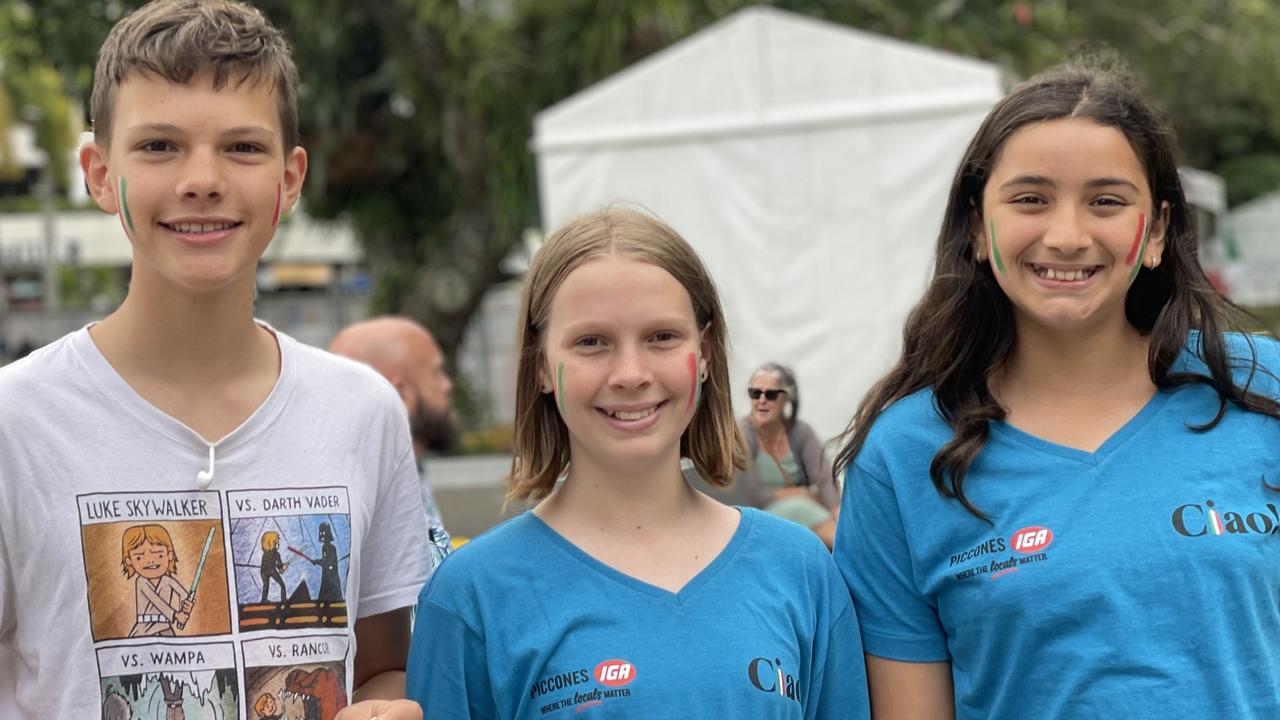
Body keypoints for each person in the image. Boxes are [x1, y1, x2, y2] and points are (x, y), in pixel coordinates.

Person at [0, 2, 429, 718]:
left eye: (242, 148)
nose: (202, 178)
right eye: (160, 146)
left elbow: (385, 666)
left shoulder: (363, 411)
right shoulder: (16, 421)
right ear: (100, 174)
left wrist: (392, 703)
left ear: (291, 180)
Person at [832, 61, 1280, 719]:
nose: (1067, 236)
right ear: (976, 229)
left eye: (1105, 200)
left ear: (1155, 232)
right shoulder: (902, 458)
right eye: (1030, 199)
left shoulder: (1261, 391)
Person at [404, 207, 869, 718]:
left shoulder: (801, 569)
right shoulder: (470, 598)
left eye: (662, 337)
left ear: (707, 353)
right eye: (591, 342)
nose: (630, 373)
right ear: (540, 366)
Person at [330, 316, 455, 563]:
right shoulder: (371, 507)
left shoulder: (408, 474)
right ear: (397, 394)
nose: (447, 385)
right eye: (436, 373)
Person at [735, 362, 839, 548]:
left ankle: (846, 549)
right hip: (758, 514)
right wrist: (797, 493)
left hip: (804, 510)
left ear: (786, 399)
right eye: (755, 393)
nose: (762, 400)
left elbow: (824, 479)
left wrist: (835, 509)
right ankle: (848, 553)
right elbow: (750, 496)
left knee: (832, 511)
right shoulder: (742, 434)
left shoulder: (800, 432)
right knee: (800, 508)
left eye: (771, 395)